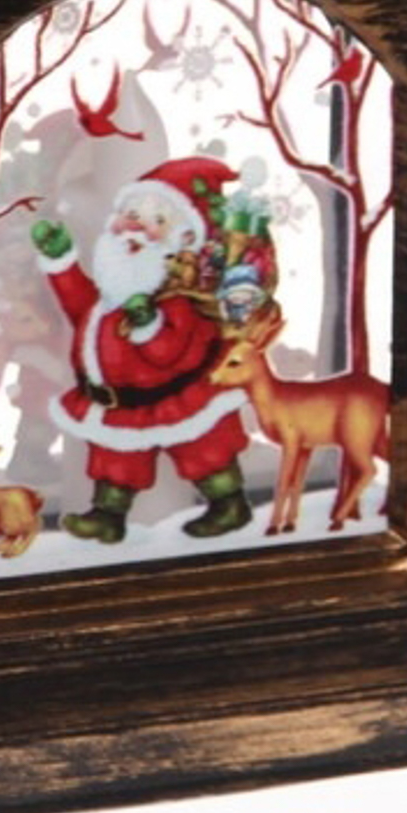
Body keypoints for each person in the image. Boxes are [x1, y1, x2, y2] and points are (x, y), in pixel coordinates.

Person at [31, 157, 252, 544]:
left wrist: (148, 324)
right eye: (130, 214)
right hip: (120, 403)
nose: (135, 225)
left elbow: (171, 351)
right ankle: (108, 515)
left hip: (176, 399)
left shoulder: (179, 299)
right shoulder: (113, 294)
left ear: (183, 239)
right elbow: (80, 309)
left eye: (156, 220)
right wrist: (61, 262)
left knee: (202, 449)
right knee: (116, 458)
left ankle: (228, 503)